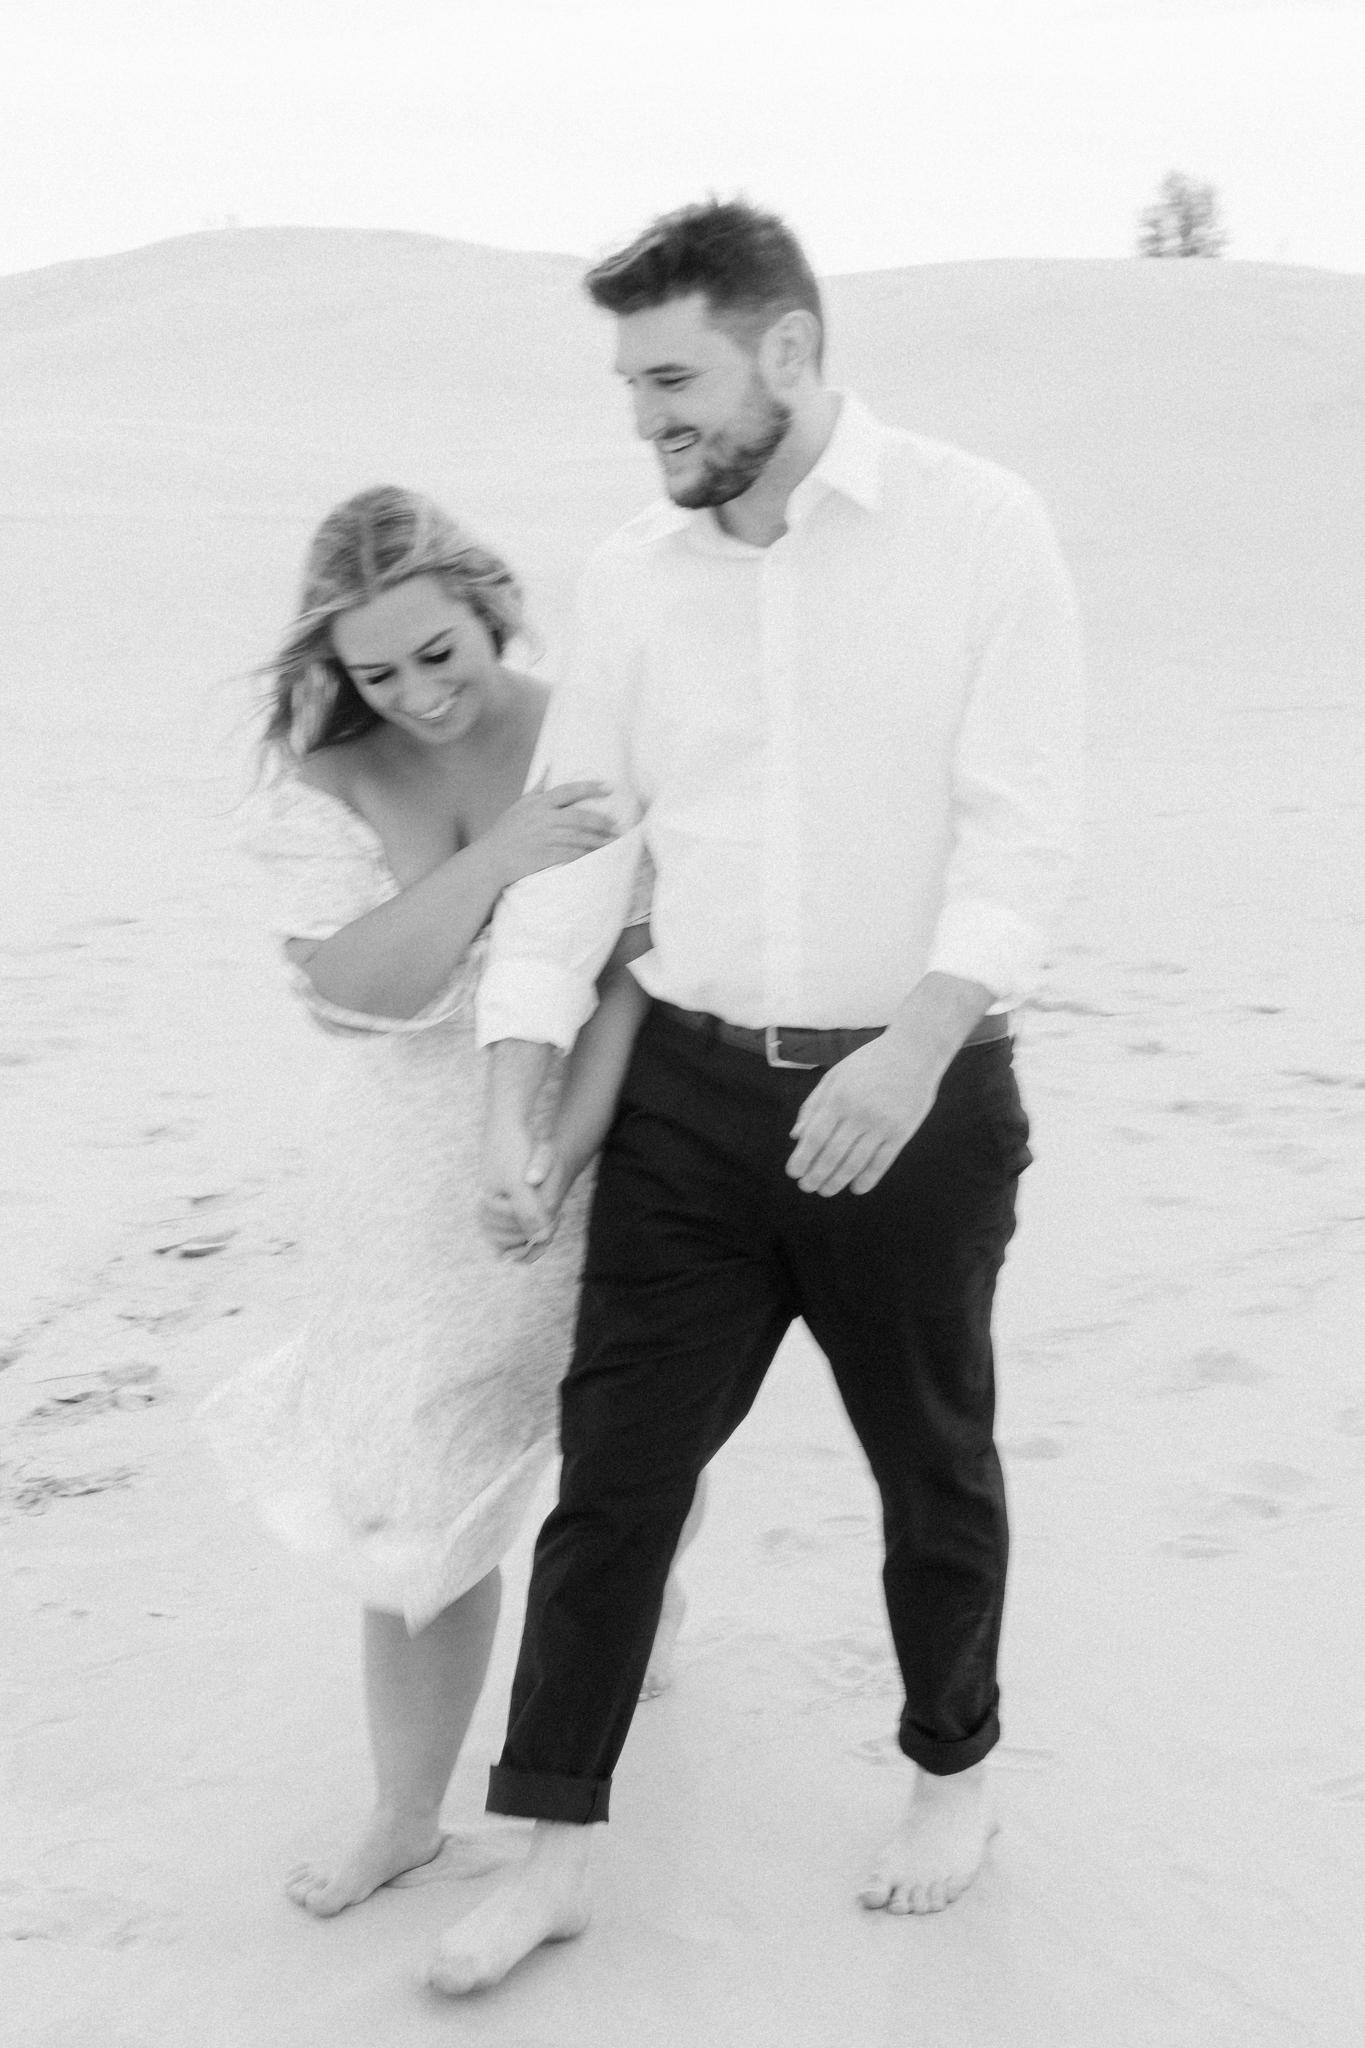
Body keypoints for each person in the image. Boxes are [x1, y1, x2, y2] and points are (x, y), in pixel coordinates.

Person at [422, 199, 1084, 1997]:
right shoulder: (636, 569)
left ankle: (951, 1777)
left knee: (927, 1467)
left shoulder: (974, 528)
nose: (646, 424)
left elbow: (1022, 826)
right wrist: (516, 1086)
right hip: (691, 1115)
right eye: (630, 387)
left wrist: (919, 1038)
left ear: (786, 351)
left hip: (914, 1101)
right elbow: (575, 848)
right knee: (612, 1478)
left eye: (672, 380)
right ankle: (552, 1847)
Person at [200, 486, 700, 1921]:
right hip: (404, 1182)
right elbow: (358, 989)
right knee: (416, 1506)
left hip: (606, 1138)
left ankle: (651, 1597)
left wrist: (562, 1151)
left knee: (629, 1438)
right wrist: (490, 860)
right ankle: (408, 1814)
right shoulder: (327, 775)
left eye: (440, 653)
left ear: (491, 609)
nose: (416, 695)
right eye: (376, 670)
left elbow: (630, 970)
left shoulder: (587, 726)